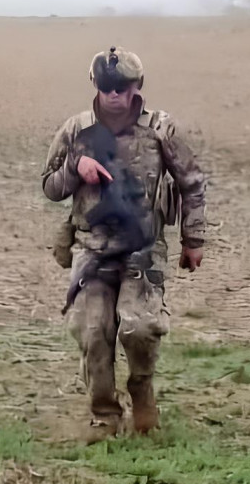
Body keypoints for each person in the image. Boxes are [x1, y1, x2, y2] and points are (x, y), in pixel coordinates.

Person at [43, 46, 206, 441]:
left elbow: (192, 184)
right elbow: (50, 187)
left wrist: (193, 238)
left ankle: (141, 388)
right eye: (106, 86)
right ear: (95, 85)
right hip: (92, 248)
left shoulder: (161, 129)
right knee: (93, 330)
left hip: (143, 247)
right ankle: (104, 414)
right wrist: (74, 167)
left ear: (137, 87)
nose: (114, 94)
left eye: (122, 86)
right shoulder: (76, 130)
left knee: (140, 327)